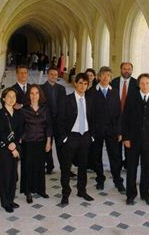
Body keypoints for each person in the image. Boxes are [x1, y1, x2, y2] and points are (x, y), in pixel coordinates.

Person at [122, 73, 149, 206]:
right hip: (133, 141)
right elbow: (125, 120)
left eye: (147, 83)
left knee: (146, 170)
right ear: (138, 85)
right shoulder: (131, 98)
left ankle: (145, 194)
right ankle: (130, 195)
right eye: (142, 83)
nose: (145, 86)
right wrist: (126, 137)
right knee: (131, 169)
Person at [58, 73, 95, 206]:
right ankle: (65, 193)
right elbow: (60, 121)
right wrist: (64, 138)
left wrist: (91, 136)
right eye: (80, 83)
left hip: (85, 136)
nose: (83, 86)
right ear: (75, 83)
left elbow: (94, 119)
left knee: (83, 167)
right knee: (66, 167)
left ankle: (81, 190)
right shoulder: (66, 100)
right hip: (71, 137)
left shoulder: (90, 100)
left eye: (85, 84)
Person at [87, 67, 125, 193]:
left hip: (112, 130)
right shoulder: (91, 92)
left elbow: (119, 113)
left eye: (108, 75)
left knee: (115, 156)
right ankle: (100, 178)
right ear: (98, 76)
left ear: (110, 77)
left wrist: (119, 131)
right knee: (96, 155)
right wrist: (90, 132)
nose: (105, 77)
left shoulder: (115, 92)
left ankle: (118, 180)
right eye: (103, 75)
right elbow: (89, 113)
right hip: (96, 130)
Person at [20, 85, 52, 203]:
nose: (34, 96)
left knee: (39, 166)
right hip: (28, 143)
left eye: (36, 93)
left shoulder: (45, 109)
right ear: (28, 95)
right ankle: (28, 191)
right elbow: (20, 127)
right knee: (28, 167)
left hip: (41, 141)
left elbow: (48, 126)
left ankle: (40, 189)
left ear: (40, 95)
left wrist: (48, 141)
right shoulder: (24, 110)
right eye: (32, 93)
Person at [0, 88, 24, 213]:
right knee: (4, 176)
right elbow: (0, 133)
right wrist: (10, 146)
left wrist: (15, 146)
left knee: (13, 176)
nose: (11, 99)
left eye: (14, 96)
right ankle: (5, 202)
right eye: (9, 96)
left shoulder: (18, 114)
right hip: (3, 150)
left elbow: (20, 132)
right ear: (3, 99)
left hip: (15, 149)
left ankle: (11, 199)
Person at [111, 62, 139, 169]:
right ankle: (117, 166)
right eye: (124, 68)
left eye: (129, 69)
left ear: (132, 70)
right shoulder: (114, 82)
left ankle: (128, 164)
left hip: (130, 120)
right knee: (116, 145)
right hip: (116, 119)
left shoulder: (137, 83)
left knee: (129, 145)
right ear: (120, 69)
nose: (126, 71)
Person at [40, 67, 67, 174]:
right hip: (47, 122)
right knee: (48, 145)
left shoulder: (61, 88)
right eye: (52, 74)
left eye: (56, 75)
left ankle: (64, 168)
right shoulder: (41, 88)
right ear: (48, 75)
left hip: (59, 122)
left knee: (61, 146)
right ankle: (49, 166)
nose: (54, 76)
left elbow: (64, 106)